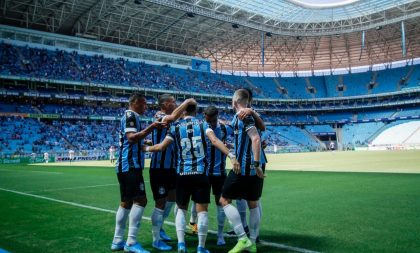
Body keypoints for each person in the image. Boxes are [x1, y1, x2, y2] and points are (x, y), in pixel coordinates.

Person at [144, 103, 239, 253]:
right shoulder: (203, 124)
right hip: (201, 173)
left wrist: (145, 148)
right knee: (203, 212)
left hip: (182, 174)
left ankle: (181, 244)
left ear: (182, 112)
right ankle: (201, 247)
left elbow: (161, 147)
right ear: (196, 111)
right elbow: (214, 141)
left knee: (181, 209)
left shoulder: (175, 127)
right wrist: (231, 155)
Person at [110, 93, 165, 253]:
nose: (145, 107)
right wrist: (152, 127)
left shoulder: (132, 116)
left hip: (125, 166)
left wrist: (147, 140)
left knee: (126, 202)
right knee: (141, 200)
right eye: (143, 104)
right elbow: (131, 138)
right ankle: (131, 242)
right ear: (134, 103)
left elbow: (135, 140)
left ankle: (117, 241)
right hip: (130, 166)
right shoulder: (130, 115)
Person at [148, 95, 197, 251]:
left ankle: (160, 228)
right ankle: (156, 240)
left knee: (172, 199)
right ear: (165, 104)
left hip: (171, 168)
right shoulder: (159, 115)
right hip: (159, 168)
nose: (175, 104)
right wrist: (187, 102)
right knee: (160, 203)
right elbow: (172, 117)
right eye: (173, 101)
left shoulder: (173, 119)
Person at [220, 89, 266, 253]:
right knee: (253, 204)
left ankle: (242, 237)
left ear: (234, 102)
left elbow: (255, 138)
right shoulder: (243, 115)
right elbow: (233, 130)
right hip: (252, 167)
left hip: (245, 167)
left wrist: (255, 164)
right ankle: (252, 242)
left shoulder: (244, 115)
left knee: (224, 200)